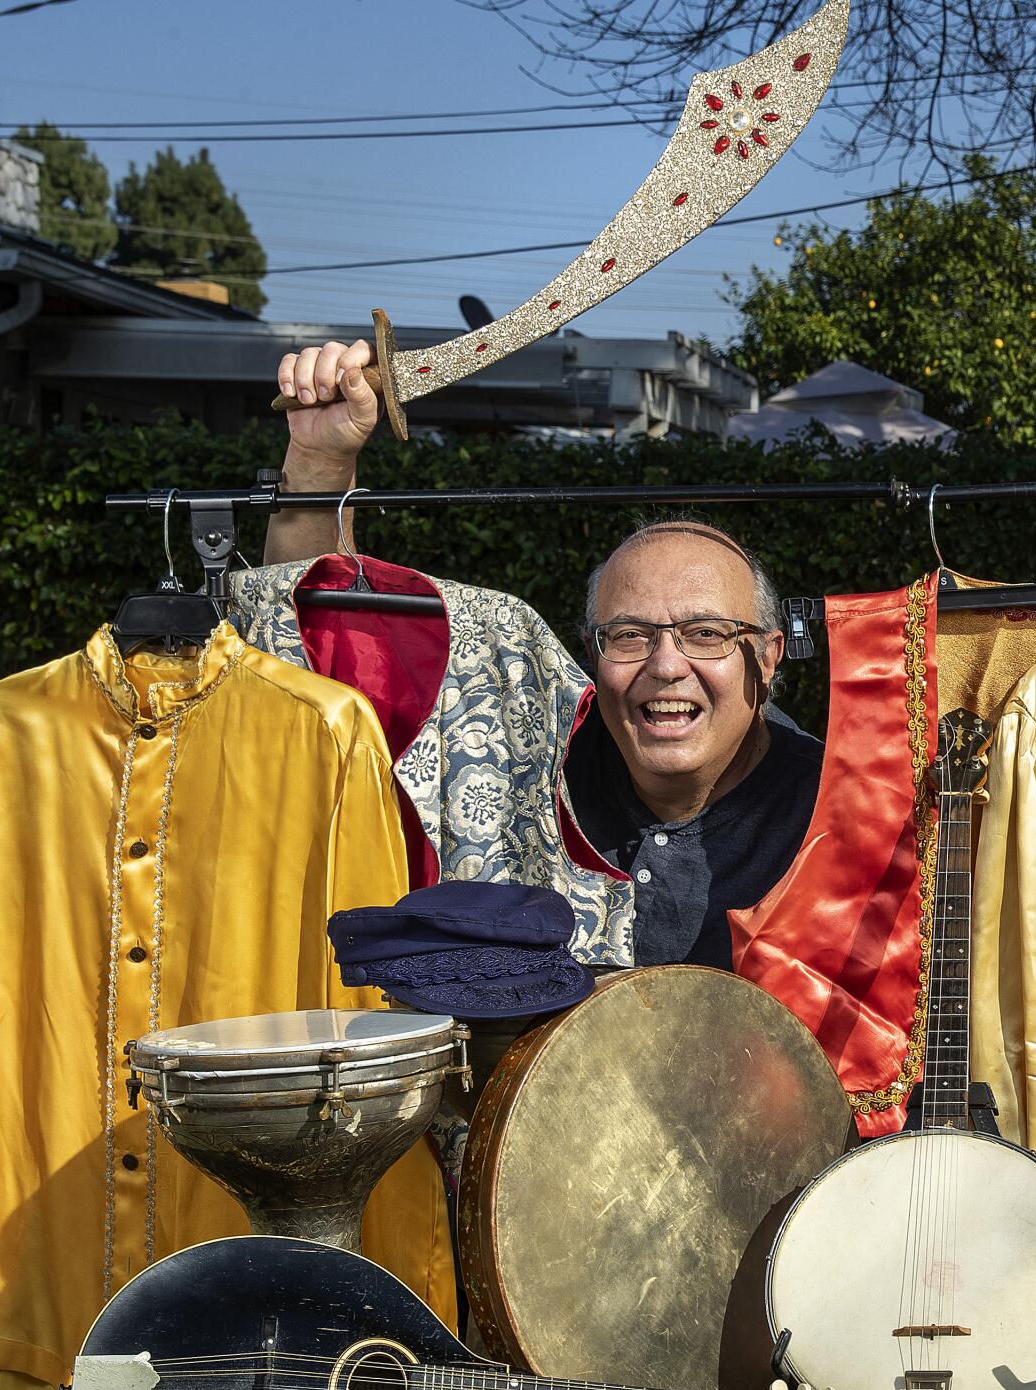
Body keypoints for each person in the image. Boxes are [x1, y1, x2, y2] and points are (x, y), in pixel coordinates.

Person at [262, 338, 822, 969]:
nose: (666, 666)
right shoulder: (520, 758)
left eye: (707, 633)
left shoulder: (846, 820)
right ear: (592, 652)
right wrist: (317, 463)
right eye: (630, 636)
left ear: (769, 657)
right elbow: (316, 658)